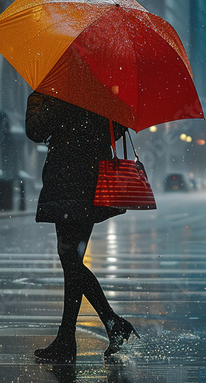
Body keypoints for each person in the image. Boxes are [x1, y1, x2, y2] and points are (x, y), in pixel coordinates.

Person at [25, 91, 140, 363]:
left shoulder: (56, 89)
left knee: (69, 258)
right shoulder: (100, 89)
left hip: (73, 178)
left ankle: (95, 328)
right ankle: (82, 333)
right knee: (71, 259)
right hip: (85, 177)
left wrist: (49, 100)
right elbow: (119, 128)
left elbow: (36, 130)